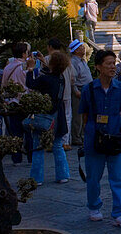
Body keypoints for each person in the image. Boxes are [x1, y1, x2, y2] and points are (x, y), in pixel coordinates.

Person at [80, 50, 121, 228]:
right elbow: (85, 115)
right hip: (94, 138)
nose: (112, 67)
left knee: (118, 177)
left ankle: (119, 212)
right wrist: (87, 135)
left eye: (113, 63)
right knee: (93, 177)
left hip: (115, 137)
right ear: (98, 67)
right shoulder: (88, 89)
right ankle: (94, 206)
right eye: (108, 63)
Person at [26, 49, 71, 185]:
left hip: (44, 115)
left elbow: (31, 84)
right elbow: (51, 71)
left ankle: (36, 178)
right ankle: (63, 175)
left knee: (38, 146)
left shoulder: (45, 79)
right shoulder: (60, 77)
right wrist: (44, 62)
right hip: (58, 115)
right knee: (57, 145)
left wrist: (30, 69)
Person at [0, 42, 32, 165]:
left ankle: (16, 158)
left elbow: (4, 85)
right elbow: (30, 84)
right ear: (24, 54)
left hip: (12, 102)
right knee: (28, 131)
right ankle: (30, 156)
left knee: (15, 132)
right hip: (26, 101)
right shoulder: (25, 67)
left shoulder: (8, 67)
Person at [44, 38, 74, 150]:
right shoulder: (67, 59)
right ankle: (65, 142)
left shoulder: (47, 59)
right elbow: (72, 77)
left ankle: (50, 141)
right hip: (66, 91)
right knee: (67, 117)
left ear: (50, 47)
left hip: (52, 93)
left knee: (51, 117)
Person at [68, 41, 93, 148]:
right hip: (79, 89)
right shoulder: (73, 62)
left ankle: (83, 134)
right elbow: (72, 79)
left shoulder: (83, 60)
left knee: (86, 114)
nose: (83, 49)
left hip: (87, 89)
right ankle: (76, 136)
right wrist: (75, 90)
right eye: (81, 47)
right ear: (76, 50)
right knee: (78, 115)